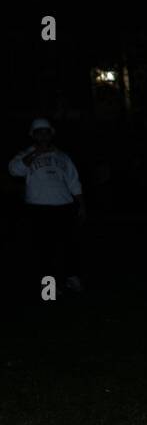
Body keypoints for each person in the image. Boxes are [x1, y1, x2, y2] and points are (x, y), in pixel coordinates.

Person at [8, 118, 85, 294]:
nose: (43, 134)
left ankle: (72, 279)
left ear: (51, 133)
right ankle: (50, 286)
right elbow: (14, 170)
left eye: (46, 131)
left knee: (69, 245)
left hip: (64, 205)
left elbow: (74, 181)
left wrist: (81, 205)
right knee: (44, 248)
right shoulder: (25, 154)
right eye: (39, 131)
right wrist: (36, 152)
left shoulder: (62, 156)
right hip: (39, 207)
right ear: (33, 135)